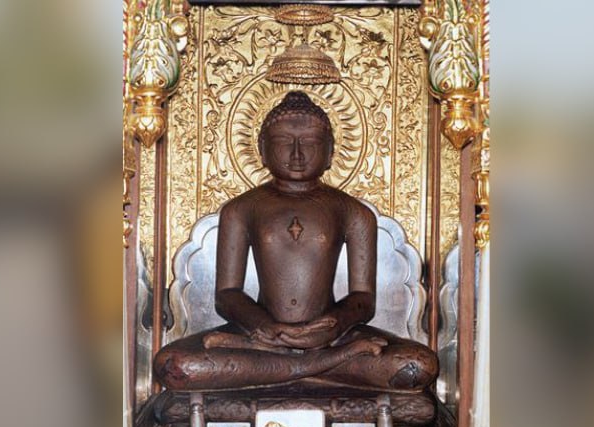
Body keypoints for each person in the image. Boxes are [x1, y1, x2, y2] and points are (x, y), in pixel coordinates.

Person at [155, 91, 437, 392]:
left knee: (418, 365)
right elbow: (226, 294)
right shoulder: (240, 209)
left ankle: (283, 368)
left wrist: (332, 326)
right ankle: (323, 365)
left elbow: (363, 299)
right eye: (283, 142)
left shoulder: (353, 212)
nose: (297, 154)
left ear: (330, 151)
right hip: (261, 337)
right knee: (173, 365)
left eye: (311, 143)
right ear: (262, 149)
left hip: (329, 339)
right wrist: (264, 326)